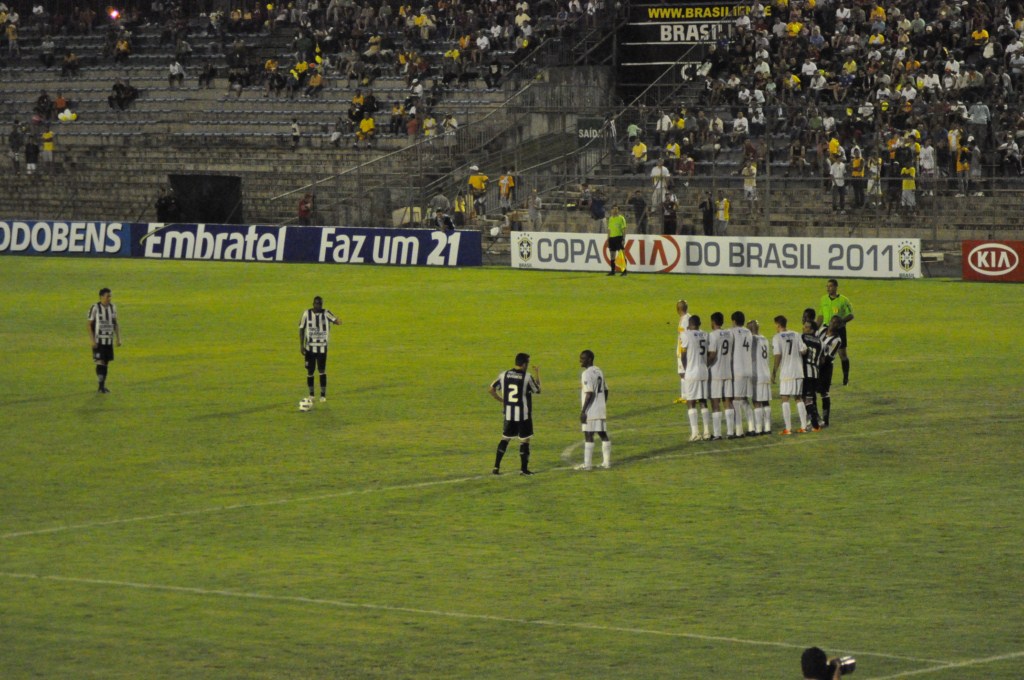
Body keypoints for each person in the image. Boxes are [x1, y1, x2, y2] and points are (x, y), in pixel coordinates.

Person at [488, 352, 541, 475]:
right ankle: (524, 469)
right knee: (524, 440)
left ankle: (496, 467)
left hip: (509, 413)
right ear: (524, 364)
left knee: (505, 438)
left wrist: (502, 400)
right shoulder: (527, 377)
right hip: (523, 415)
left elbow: (491, 389)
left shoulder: (504, 375)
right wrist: (537, 373)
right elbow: (537, 390)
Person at [299, 296, 341, 402]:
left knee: (322, 370)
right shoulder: (306, 314)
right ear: (313, 304)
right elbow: (301, 329)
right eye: (317, 304)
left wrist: (337, 321)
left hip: (322, 347)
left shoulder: (326, 313)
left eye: (320, 304)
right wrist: (301, 345)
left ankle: (323, 395)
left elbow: (336, 320)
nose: (318, 306)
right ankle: (311, 395)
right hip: (309, 348)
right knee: (310, 371)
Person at [771, 315, 808, 435]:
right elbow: (804, 350)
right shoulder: (796, 334)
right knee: (798, 398)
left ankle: (788, 428)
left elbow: (778, 355)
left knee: (785, 398)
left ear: (778, 325)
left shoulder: (777, 337)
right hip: (798, 371)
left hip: (786, 372)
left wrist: (774, 372)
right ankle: (803, 426)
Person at [575, 349, 611, 470]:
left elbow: (589, 393)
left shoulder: (586, 374)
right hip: (600, 409)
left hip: (591, 410)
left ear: (589, 359)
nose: (580, 360)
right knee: (603, 434)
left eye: (583, 358)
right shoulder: (599, 370)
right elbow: (606, 390)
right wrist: (602, 403)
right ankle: (606, 463)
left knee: (588, 435)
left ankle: (588, 465)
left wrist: (583, 411)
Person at [814, 279, 854, 385]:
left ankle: (846, 376)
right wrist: (815, 329)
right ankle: (821, 377)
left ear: (836, 287)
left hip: (839, 330)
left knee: (842, 355)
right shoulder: (823, 299)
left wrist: (841, 321)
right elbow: (821, 316)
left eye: (830, 286)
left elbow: (851, 315)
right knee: (821, 353)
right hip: (825, 330)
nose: (828, 288)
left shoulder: (843, 300)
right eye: (827, 286)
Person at [680, 315, 711, 441]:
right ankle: (707, 432)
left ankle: (695, 433)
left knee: (691, 402)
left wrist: (686, 369)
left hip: (692, 372)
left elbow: (683, 355)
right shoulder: (705, 335)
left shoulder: (686, 335)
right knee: (703, 401)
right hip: (704, 371)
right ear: (700, 323)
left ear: (689, 324)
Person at [707, 312, 736, 440]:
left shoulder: (713, 335)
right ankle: (730, 432)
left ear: (713, 322)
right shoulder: (730, 334)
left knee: (715, 402)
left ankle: (717, 434)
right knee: (727, 401)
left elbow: (712, 354)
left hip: (716, 373)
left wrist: (705, 364)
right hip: (728, 372)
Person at [88, 287, 122, 393]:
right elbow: (89, 324)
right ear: (101, 297)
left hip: (108, 341)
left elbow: (115, 323)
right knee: (100, 362)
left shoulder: (113, 308)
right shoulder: (95, 308)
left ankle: (102, 386)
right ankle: (101, 386)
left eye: (110, 296)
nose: (109, 298)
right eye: (108, 296)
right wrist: (92, 340)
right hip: (99, 341)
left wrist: (118, 338)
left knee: (106, 363)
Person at [730, 311, 754, 436]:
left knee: (736, 400)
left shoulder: (732, 332)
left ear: (734, 321)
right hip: (748, 369)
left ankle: (738, 431)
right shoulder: (749, 332)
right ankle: (752, 427)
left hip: (737, 369)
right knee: (744, 399)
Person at [816, 316, 842, 427]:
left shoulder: (837, 340)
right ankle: (815, 416)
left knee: (824, 392)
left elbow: (827, 358)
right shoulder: (822, 330)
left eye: (836, 323)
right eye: (832, 321)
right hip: (815, 364)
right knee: (810, 392)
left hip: (825, 368)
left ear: (839, 326)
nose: (833, 324)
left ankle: (825, 420)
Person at [748, 319, 772, 434]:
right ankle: (767, 427)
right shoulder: (765, 339)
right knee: (766, 401)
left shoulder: (752, 340)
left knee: (756, 401)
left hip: (756, 374)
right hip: (766, 373)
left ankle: (758, 428)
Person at [800, 319, 823, 431]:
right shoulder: (820, 341)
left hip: (805, 372)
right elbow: (822, 359)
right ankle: (817, 420)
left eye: (807, 327)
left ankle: (812, 422)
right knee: (811, 397)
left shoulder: (802, 338)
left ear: (812, 330)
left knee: (805, 398)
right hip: (815, 372)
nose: (804, 328)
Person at [674, 299, 691, 404]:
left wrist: (683, 350)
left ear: (678, 309)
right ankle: (684, 395)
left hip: (684, 350)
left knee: (683, 372)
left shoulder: (685, 320)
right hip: (682, 349)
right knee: (682, 372)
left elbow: (686, 336)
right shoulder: (686, 318)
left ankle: (687, 395)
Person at [606, 204, 627, 276]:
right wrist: (608, 239)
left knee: (621, 254)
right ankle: (612, 271)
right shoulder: (610, 218)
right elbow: (609, 229)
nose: (615, 210)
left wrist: (623, 239)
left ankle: (624, 271)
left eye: (616, 209)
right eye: (613, 209)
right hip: (612, 238)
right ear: (611, 210)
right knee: (612, 255)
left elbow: (624, 229)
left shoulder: (621, 218)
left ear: (618, 210)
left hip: (619, 237)